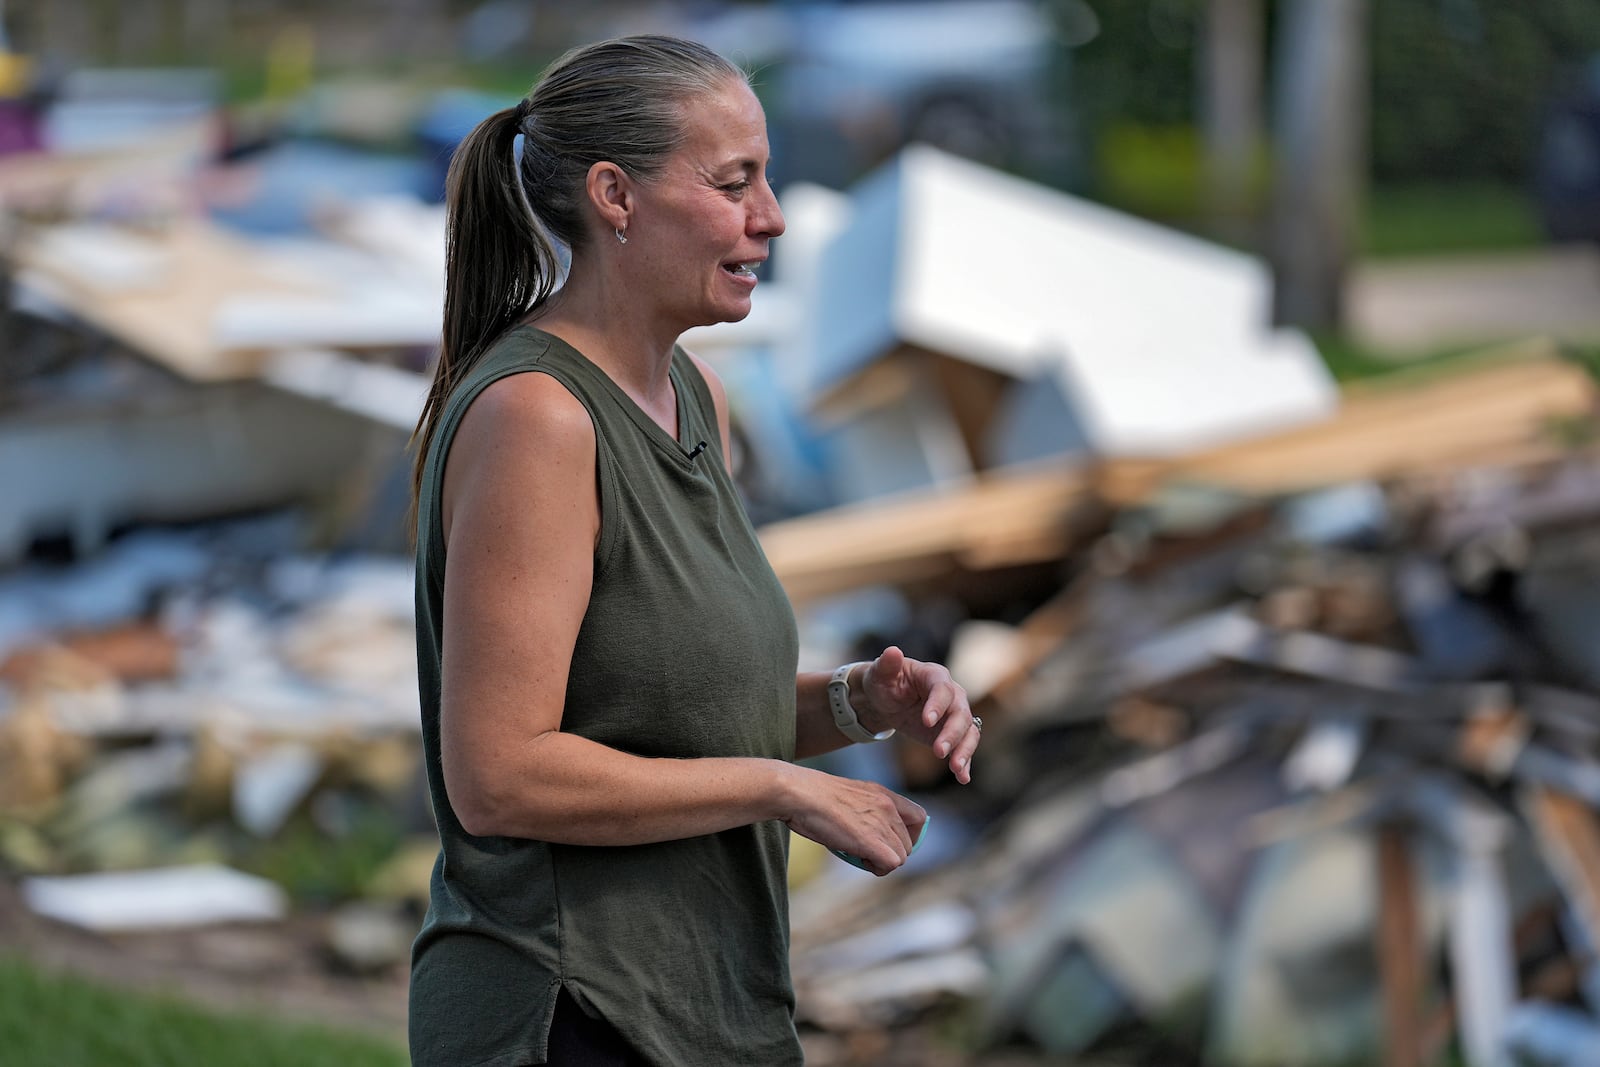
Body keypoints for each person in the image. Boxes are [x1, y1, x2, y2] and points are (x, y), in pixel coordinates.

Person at [408, 34, 982, 1067]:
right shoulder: (539, 417)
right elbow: (499, 774)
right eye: (734, 182)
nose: (772, 215)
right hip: (570, 1011)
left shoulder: (696, 400)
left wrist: (858, 701)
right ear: (614, 195)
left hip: (706, 1009)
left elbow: (676, 711)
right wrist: (783, 785)